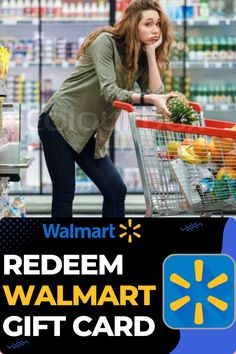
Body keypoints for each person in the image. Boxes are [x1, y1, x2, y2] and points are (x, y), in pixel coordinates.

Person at [38, 0, 174, 218]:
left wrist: (150, 53)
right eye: (148, 24)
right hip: (58, 122)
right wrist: (149, 97)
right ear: (132, 24)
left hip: (85, 131)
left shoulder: (138, 55)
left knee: (116, 190)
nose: (155, 29)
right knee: (65, 192)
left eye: (158, 24)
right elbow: (110, 91)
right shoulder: (105, 42)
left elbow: (156, 93)